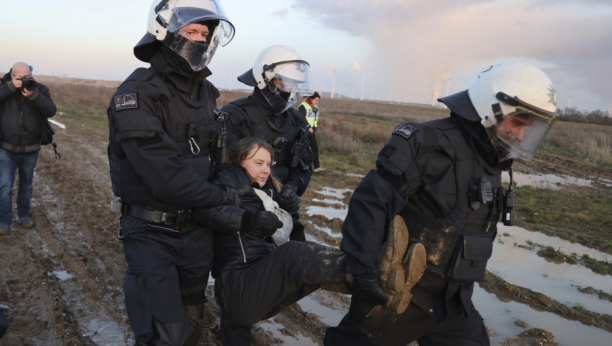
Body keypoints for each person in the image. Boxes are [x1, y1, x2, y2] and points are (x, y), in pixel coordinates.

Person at [324, 60, 559, 346]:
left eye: (527, 128)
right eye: (517, 123)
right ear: (491, 109)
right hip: (399, 297)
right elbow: (370, 203)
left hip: (454, 306)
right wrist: (364, 273)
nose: (521, 135)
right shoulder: (426, 143)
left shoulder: (492, 162)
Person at [192, 137, 427, 346]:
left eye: (269, 164)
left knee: (305, 262)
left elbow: (295, 242)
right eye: (258, 163)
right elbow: (208, 211)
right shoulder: (229, 177)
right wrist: (251, 219)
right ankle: (379, 271)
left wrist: (292, 215)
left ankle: (384, 289)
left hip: (253, 294)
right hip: (239, 286)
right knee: (293, 255)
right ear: (239, 161)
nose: (265, 170)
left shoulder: (267, 196)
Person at [106, 1, 240, 345]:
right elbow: (165, 173)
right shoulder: (137, 93)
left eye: (205, 34)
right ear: (163, 32)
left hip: (197, 233)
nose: (200, 40)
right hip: (151, 232)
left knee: (192, 321)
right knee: (164, 334)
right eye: (190, 31)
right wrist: (223, 197)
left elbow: (216, 159)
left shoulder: (206, 94)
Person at [221, 45, 315, 242]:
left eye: (294, 85)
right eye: (284, 83)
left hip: (285, 211)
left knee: (297, 265)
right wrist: (263, 195)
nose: (289, 91)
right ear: (265, 80)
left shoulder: (296, 120)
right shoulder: (235, 115)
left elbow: (304, 164)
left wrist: (291, 190)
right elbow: (222, 168)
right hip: (246, 214)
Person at [0, 62, 57, 233]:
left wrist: (34, 95)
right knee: (4, 186)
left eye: (28, 77)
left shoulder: (39, 89)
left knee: (26, 186)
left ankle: (24, 215)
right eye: (20, 77)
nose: (25, 80)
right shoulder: (4, 87)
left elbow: (51, 110)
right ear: (12, 75)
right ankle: (4, 221)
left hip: (30, 149)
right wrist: (10, 88)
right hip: (6, 148)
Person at [299, 92, 325, 173]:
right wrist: (308, 127)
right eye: (315, 100)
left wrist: (313, 127)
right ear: (310, 99)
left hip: (312, 131)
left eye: (318, 100)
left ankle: (317, 166)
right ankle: (298, 166)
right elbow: (301, 118)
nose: (317, 101)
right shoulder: (303, 106)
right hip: (304, 131)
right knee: (302, 149)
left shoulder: (316, 107)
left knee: (315, 148)